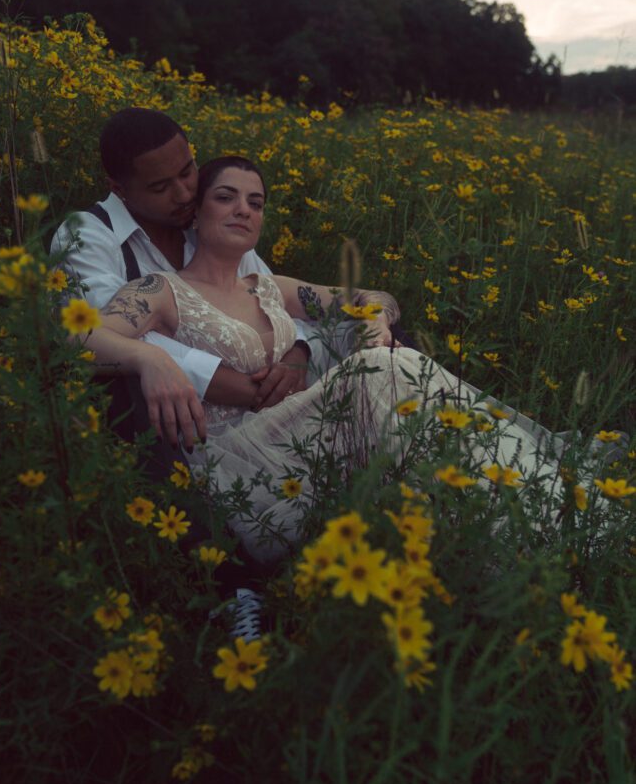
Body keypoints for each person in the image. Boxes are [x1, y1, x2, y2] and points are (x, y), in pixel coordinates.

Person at [79, 155, 604, 566]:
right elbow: (82, 336)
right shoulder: (158, 288)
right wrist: (148, 358)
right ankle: (545, 509)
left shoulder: (270, 287)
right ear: (197, 210)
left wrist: (376, 320)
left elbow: (377, 297)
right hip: (235, 471)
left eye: (256, 203)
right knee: (383, 372)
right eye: (226, 197)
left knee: (393, 369)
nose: (244, 209)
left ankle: (536, 516)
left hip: (303, 448)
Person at [51, 108, 315, 455]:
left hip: (268, 413)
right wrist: (152, 359)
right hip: (165, 440)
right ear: (118, 188)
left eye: (187, 172)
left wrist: (298, 352)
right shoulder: (87, 235)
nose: (183, 194)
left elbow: (270, 297)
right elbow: (100, 336)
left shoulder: (209, 217)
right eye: (160, 187)